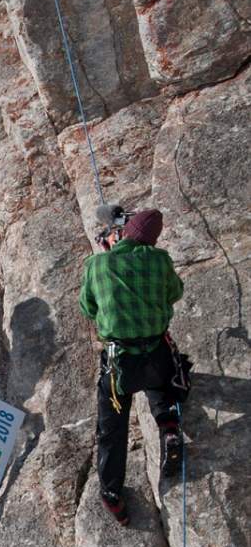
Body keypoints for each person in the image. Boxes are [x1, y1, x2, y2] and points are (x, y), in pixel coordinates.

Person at [80, 207, 189, 525]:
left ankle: (112, 494)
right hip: (156, 356)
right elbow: (175, 293)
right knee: (165, 377)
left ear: (124, 234)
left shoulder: (97, 264)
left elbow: (87, 307)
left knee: (111, 427)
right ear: (152, 240)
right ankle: (169, 428)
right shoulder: (160, 260)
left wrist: (108, 272)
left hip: (120, 363)